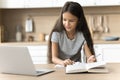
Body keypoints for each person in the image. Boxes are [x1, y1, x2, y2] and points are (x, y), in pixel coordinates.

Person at [48, 1, 96, 67]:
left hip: (76, 68)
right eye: (64, 20)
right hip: (60, 67)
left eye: (71, 21)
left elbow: (89, 56)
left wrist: (91, 60)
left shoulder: (82, 34)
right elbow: (54, 58)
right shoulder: (56, 34)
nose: (67, 24)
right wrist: (63, 62)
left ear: (79, 21)